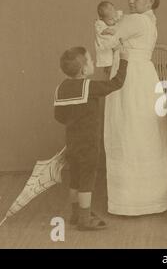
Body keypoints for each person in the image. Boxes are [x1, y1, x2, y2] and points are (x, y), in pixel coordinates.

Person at [102, 0, 167, 216]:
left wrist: (107, 24)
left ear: (150, 0)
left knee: (130, 132)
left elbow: (106, 41)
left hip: (130, 79)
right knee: (143, 134)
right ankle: (151, 198)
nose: (131, 1)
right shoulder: (149, 21)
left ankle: (130, 201)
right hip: (144, 77)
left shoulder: (136, 21)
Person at [54, 45, 129, 230]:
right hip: (88, 143)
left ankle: (75, 214)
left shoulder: (61, 88)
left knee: (75, 178)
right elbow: (116, 83)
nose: (93, 62)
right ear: (84, 69)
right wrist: (124, 61)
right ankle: (85, 220)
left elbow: (59, 117)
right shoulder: (89, 86)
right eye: (91, 60)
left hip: (72, 142)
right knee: (87, 180)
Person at [94, 1, 124, 76]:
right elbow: (102, 32)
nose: (112, 21)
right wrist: (110, 31)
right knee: (109, 63)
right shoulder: (100, 24)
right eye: (110, 20)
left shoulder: (115, 18)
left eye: (113, 18)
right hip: (105, 47)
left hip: (115, 48)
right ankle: (108, 69)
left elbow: (120, 18)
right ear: (101, 18)